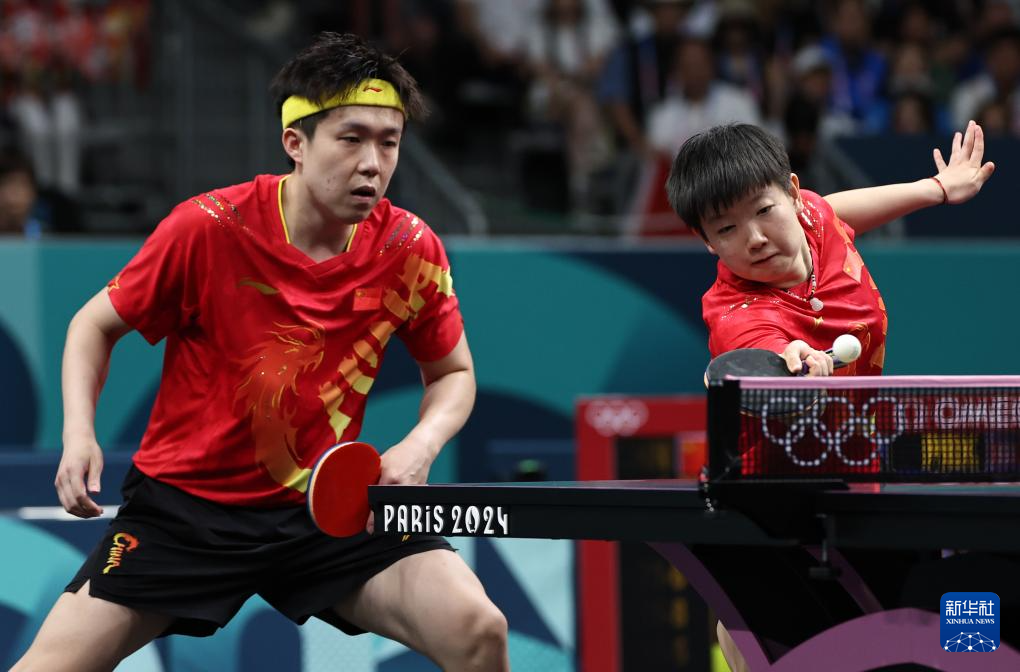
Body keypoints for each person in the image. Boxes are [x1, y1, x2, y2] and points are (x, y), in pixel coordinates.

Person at [11, 32, 509, 672]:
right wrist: (79, 434)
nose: (372, 163)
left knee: (479, 630)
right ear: (295, 143)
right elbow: (92, 325)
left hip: (327, 513)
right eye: (351, 138)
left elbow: (454, 373)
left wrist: (421, 445)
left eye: (389, 142)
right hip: (187, 514)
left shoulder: (408, 248)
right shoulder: (209, 228)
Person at [665, 121, 994, 670]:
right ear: (708, 242)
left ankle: (978, 660)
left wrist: (936, 189)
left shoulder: (812, 220)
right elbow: (763, 352)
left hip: (869, 468)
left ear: (793, 194)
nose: (754, 238)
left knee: (967, 591)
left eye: (764, 210)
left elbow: (835, 210)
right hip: (796, 502)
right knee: (908, 615)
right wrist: (795, 365)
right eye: (727, 229)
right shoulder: (739, 314)